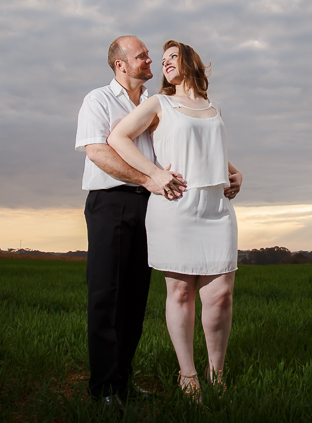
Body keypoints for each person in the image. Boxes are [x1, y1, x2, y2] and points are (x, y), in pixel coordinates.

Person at [108, 39, 242, 400]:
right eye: (162, 59)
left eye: (173, 57)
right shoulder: (159, 103)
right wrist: (154, 174)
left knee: (222, 296)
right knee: (181, 292)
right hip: (177, 206)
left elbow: (208, 149)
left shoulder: (213, 108)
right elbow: (118, 137)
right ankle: (188, 375)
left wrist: (235, 172)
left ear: (191, 62)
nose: (165, 63)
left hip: (216, 210)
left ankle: (218, 375)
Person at [75, 35, 186, 411]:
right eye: (142, 56)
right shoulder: (98, 100)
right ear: (121, 64)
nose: (149, 59)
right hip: (111, 204)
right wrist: (147, 178)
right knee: (107, 296)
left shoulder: (156, 105)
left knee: (136, 298)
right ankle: (104, 388)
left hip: (148, 207)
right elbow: (97, 152)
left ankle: (123, 380)